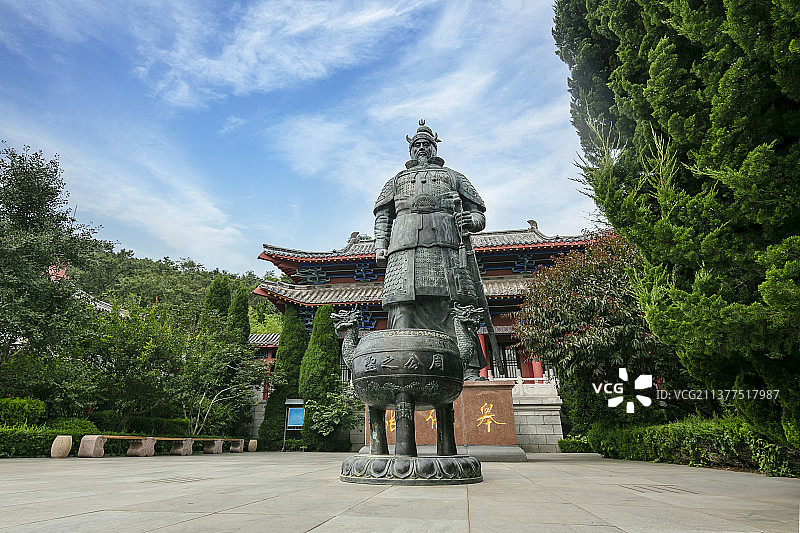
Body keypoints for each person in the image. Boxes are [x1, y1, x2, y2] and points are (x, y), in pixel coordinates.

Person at [373, 120, 486, 340]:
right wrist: (380, 245)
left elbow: (479, 214)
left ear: (434, 148)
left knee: (455, 302)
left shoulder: (454, 177)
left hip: (448, 247)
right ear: (411, 150)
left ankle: (467, 363)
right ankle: (403, 358)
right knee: (402, 303)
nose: (422, 148)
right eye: (417, 145)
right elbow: (383, 215)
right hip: (403, 249)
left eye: (426, 144)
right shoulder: (396, 180)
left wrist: (470, 221)